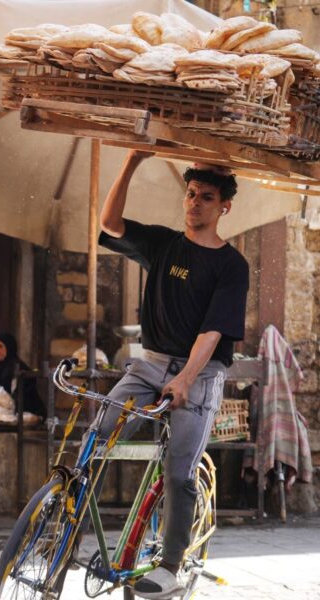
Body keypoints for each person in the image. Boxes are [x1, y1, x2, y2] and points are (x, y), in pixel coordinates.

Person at [90, 151, 248, 599]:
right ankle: (64, 517)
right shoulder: (162, 244)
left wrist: (184, 379)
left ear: (224, 208)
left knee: (179, 471)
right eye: (192, 194)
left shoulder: (231, 266)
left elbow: (213, 331)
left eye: (207, 198)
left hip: (201, 374)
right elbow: (110, 222)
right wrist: (133, 161)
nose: (195, 203)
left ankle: (172, 565)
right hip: (150, 363)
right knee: (98, 432)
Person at [0, 333, 43, 416]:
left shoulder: (18, 367)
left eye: (0, 346)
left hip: (20, 413)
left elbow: (14, 395)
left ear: (9, 348)